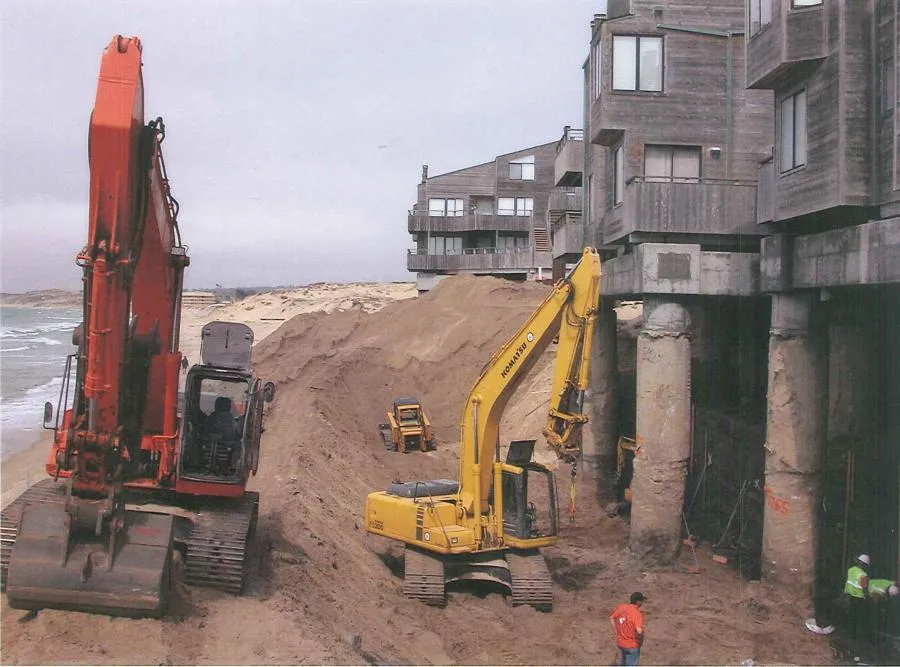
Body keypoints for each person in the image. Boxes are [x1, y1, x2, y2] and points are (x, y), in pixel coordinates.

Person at [610, 592, 646, 666]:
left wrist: (617, 633)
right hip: (632, 646)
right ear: (638, 602)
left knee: (623, 664)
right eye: (642, 600)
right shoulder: (637, 613)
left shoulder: (622, 607)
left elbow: (611, 618)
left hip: (621, 644)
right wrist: (641, 640)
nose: (642, 602)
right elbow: (639, 631)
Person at [844, 554, 871, 642]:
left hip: (850, 595)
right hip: (859, 598)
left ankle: (849, 632)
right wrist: (867, 597)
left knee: (851, 615)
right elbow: (864, 588)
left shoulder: (851, 570)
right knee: (858, 617)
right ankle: (855, 635)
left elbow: (849, 582)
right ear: (864, 565)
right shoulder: (863, 575)